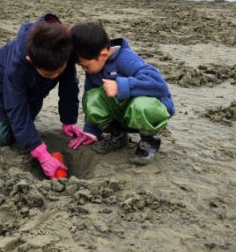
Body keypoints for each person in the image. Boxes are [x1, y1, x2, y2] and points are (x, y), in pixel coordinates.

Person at [0, 13, 84, 179]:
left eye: (59, 71)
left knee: (19, 133)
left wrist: (68, 120)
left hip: (33, 91)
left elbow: (69, 86)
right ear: (30, 60)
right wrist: (42, 154)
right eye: (48, 74)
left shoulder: (63, 49)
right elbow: (15, 105)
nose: (54, 76)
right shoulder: (18, 64)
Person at [68, 21, 175, 165]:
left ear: (103, 54)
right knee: (91, 98)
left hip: (150, 113)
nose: (84, 69)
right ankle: (118, 135)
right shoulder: (95, 68)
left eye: (86, 66)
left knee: (141, 105)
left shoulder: (126, 59)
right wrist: (91, 131)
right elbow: (91, 96)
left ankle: (149, 141)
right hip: (123, 113)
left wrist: (121, 86)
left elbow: (159, 85)